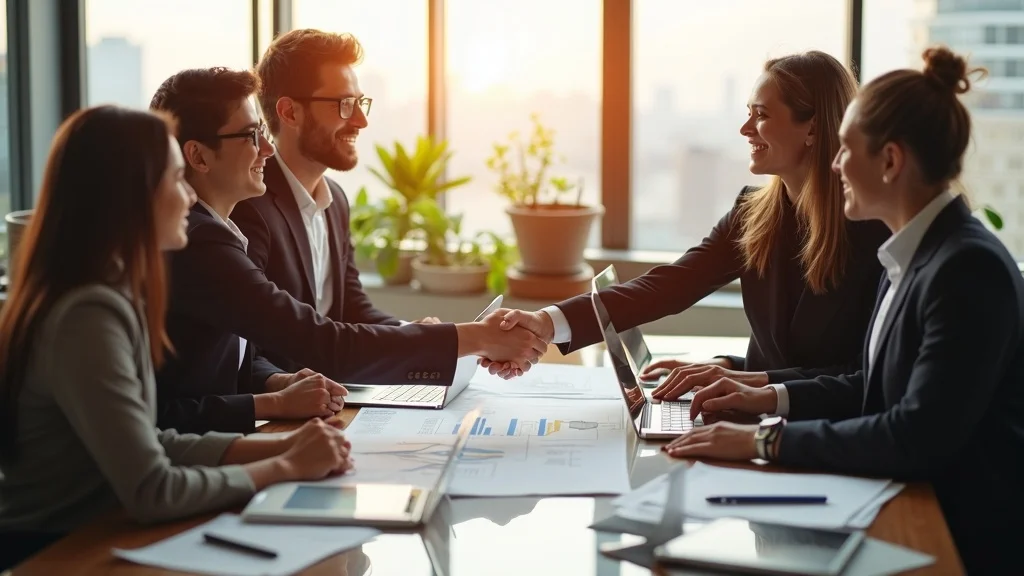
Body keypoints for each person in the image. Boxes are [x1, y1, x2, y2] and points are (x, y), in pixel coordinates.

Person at [663, 47, 1024, 573]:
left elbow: (913, 435)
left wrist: (763, 439)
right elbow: (870, 387)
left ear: (891, 161)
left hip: (955, 537)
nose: (834, 164)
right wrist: (761, 393)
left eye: (846, 149)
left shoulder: (966, 269)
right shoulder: (915, 255)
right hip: (897, 501)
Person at [0, 106, 355, 570]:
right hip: (61, 551)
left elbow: (151, 442)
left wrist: (282, 445)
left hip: (103, 531)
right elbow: (153, 489)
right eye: (175, 178)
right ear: (131, 198)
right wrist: (286, 467)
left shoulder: (109, 294)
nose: (189, 195)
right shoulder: (86, 316)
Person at [491, 51, 890, 394]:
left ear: (813, 127)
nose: (745, 129)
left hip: (827, 436)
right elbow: (671, 285)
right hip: (753, 424)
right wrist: (547, 322)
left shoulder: (875, 230)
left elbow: (868, 376)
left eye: (762, 115)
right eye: (748, 113)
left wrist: (749, 381)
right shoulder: (752, 214)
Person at [150, 68, 348, 435]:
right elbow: (163, 411)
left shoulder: (216, 231)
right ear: (198, 156)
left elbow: (229, 358)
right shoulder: (198, 242)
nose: (268, 150)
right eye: (252, 136)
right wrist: (275, 403)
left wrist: (277, 381)